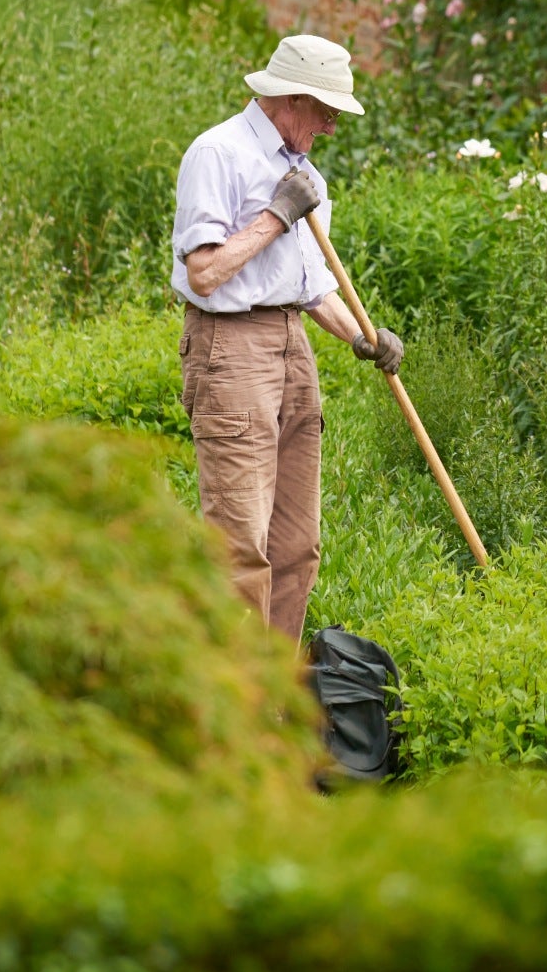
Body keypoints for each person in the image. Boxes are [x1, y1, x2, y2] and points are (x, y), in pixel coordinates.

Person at [171, 34, 404, 639]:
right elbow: (204, 272)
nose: (329, 127)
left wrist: (364, 336)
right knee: (240, 547)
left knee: (298, 544)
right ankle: (234, 709)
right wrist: (275, 217)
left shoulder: (306, 176)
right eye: (326, 113)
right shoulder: (217, 154)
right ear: (293, 99)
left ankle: (274, 701)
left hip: (291, 345)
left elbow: (312, 286)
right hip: (231, 347)